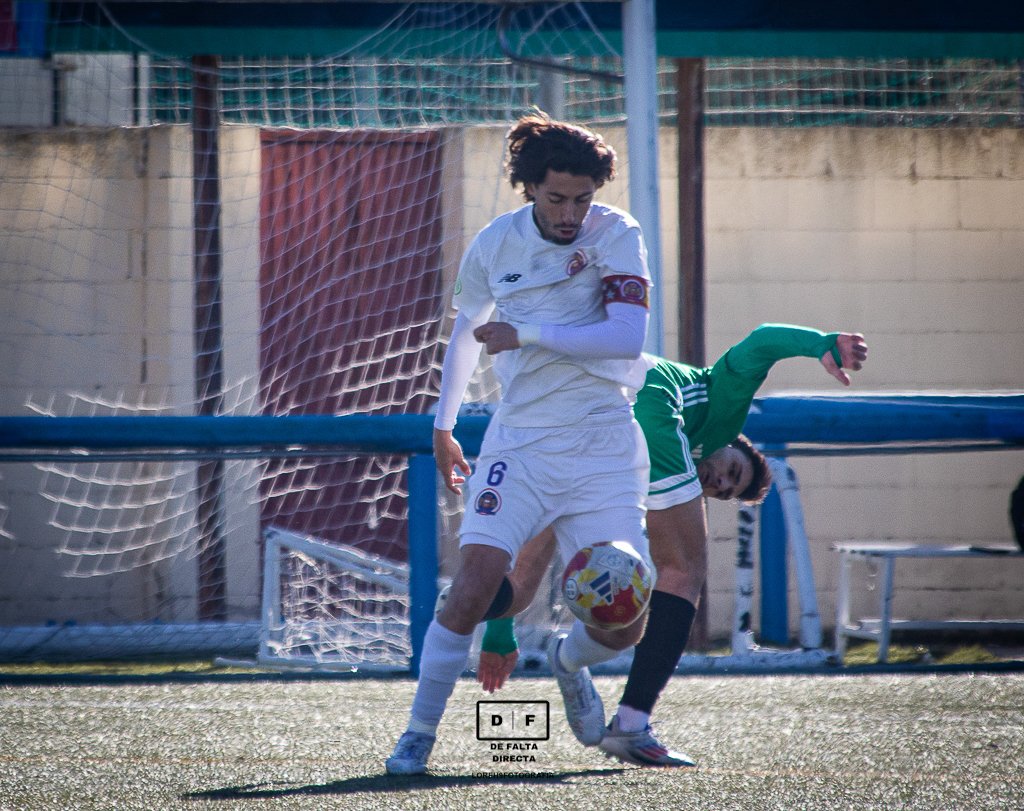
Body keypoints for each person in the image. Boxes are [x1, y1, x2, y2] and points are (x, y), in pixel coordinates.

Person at [386, 111, 656, 775]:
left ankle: (567, 662)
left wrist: (529, 334)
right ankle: (418, 733)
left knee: (626, 618)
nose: (571, 213)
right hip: (522, 445)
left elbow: (626, 337)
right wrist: (443, 425)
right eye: (557, 197)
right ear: (530, 188)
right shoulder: (493, 245)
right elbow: (464, 332)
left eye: (583, 199)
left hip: (602, 446)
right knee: (475, 585)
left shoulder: (617, 234)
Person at [475, 323, 869, 767]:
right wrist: (821, 344)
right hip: (632, 406)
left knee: (600, 606)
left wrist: (498, 627)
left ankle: (552, 650)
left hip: (577, 422)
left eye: (722, 492)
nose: (719, 482)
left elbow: (529, 563)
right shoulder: (720, 405)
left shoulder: (643, 487)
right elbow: (759, 341)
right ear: (730, 443)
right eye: (732, 472)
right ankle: (631, 726)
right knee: (682, 572)